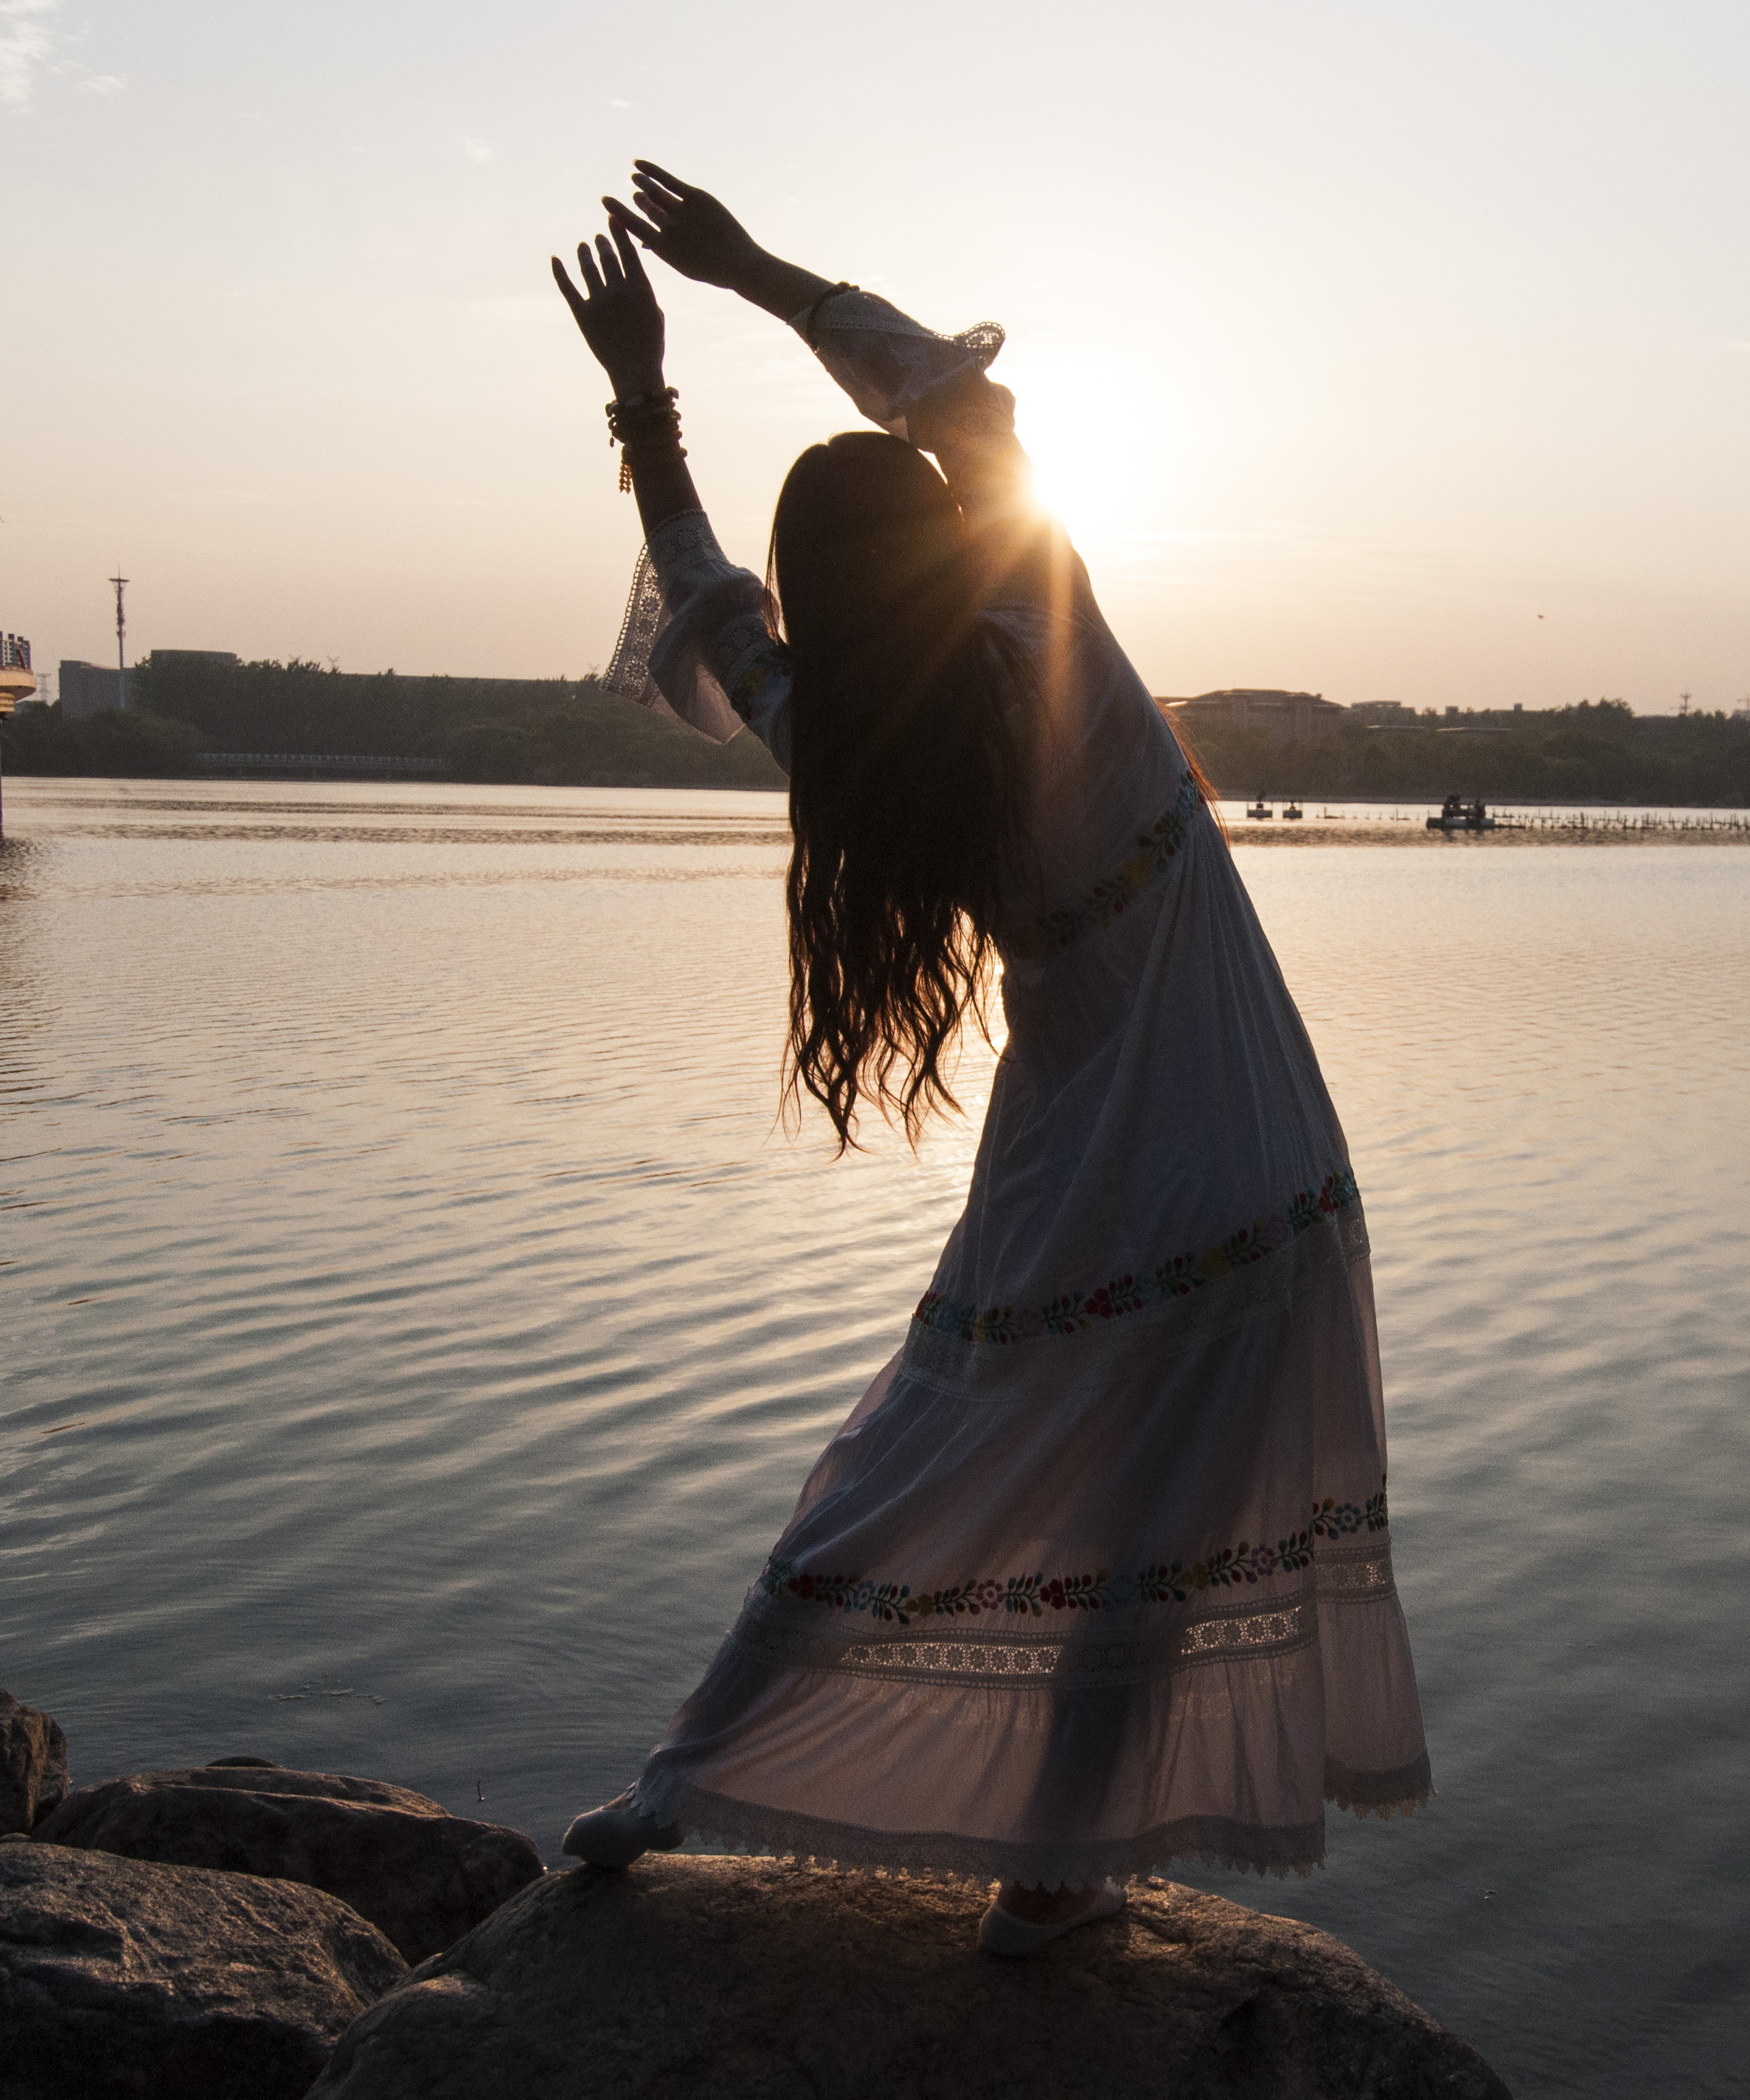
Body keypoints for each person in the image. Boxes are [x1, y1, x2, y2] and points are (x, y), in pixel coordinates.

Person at [548, 166, 1428, 1957]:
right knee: (1146, 1550)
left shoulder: (861, 747)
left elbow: (714, 600)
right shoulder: (1057, 661)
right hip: (1250, 1159)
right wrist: (756, 274)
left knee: (906, 1461)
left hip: (1073, 1168)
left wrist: (643, 398)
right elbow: (959, 409)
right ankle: (1051, 1873)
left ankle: (684, 1776)